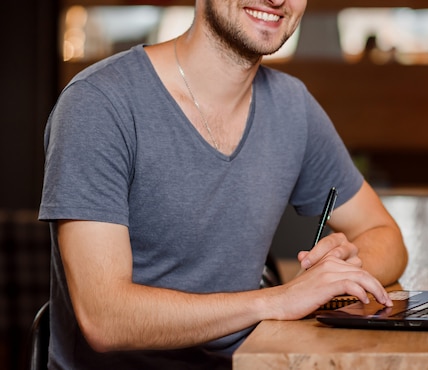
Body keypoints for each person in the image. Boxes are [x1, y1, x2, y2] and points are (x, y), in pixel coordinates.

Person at [38, 0, 408, 368]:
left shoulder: (291, 106)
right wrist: (279, 300)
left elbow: (384, 235)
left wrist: (336, 273)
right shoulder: (98, 103)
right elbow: (105, 319)